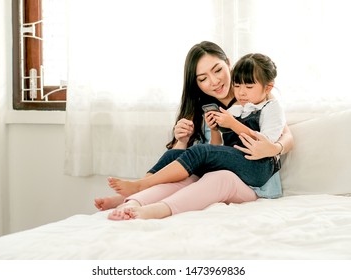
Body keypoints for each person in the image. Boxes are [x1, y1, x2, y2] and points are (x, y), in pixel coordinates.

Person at [94, 41, 293, 220]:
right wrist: (182, 139)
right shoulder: (204, 108)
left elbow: (286, 136)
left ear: (228, 64)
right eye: (203, 78)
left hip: (252, 177)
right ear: (196, 83)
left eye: (217, 70)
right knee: (179, 158)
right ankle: (132, 200)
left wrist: (273, 149)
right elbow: (201, 153)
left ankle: (142, 189)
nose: (214, 81)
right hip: (217, 168)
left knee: (214, 174)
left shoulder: (257, 99)